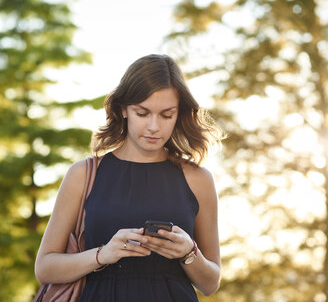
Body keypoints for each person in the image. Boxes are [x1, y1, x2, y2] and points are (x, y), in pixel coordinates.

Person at [35, 54, 223, 301]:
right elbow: (44, 268)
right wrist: (104, 254)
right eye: (142, 113)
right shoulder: (83, 174)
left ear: (179, 114)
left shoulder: (198, 179)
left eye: (167, 115)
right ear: (123, 109)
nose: (154, 126)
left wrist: (189, 252)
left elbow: (210, 283)